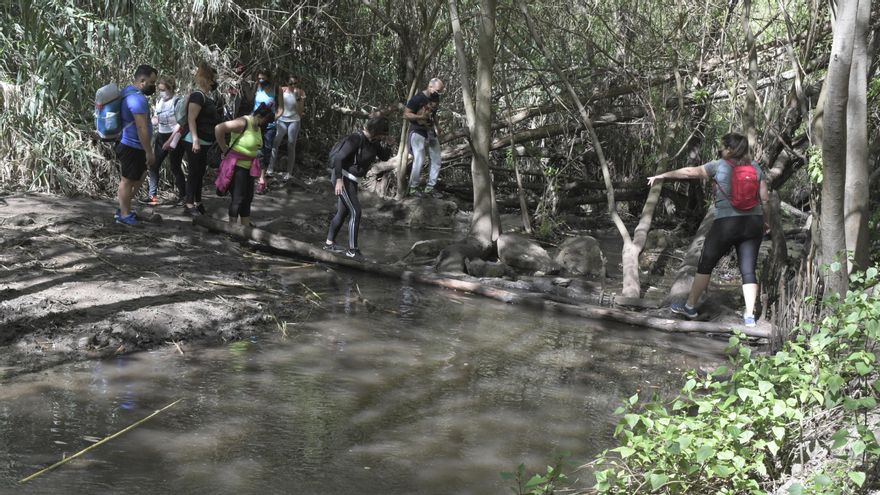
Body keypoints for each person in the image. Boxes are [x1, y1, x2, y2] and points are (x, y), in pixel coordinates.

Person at [647, 132, 769, 327]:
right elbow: (765, 198)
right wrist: (765, 221)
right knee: (748, 270)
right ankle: (749, 317)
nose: (720, 149)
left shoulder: (719, 166)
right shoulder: (755, 167)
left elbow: (689, 172)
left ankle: (690, 306)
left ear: (730, 149)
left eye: (722, 146)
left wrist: (663, 175)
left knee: (706, 264)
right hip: (753, 222)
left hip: (726, 223)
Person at [323, 116, 393, 260]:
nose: (382, 137)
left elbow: (384, 157)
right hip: (343, 178)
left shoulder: (374, 142)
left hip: (353, 181)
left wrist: (389, 144)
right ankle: (352, 250)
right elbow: (339, 158)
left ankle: (329, 244)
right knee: (356, 211)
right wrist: (338, 180)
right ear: (375, 131)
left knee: (342, 213)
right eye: (382, 134)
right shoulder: (356, 138)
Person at [214, 104, 275, 226]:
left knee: (248, 198)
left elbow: (258, 151)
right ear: (258, 116)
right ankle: (232, 227)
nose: (265, 124)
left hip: (250, 167)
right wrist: (224, 149)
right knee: (238, 198)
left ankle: (245, 225)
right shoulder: (243, 122)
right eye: (265, 121)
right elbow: (219, 128)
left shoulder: (257, 127)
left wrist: (262, 174)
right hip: (236, 166)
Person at [114, 64, 158, 226]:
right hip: (132, 145)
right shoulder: (137, 99)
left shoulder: (127, 91)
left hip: (130, 144)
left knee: (140, 175)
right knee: (127, 180)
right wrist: (149, 151)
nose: (153, 86)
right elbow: (141, 127)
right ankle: (124, 215)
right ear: (142, 80)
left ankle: (124, 209)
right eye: (152, 83)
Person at [182, 62, 222, 217]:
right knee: (194, 172)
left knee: (199, 173)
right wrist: (195, 140)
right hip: (194, 141)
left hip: (205, 141)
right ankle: (189, 204)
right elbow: (191, 118)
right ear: (208, 79)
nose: (216, 82)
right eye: (214, 79)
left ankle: (197, 202)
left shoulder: (206, 96)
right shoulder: (197, 96)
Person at [141, 77, 185, 206]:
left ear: (170, 88)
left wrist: (171, 141)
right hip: (161, 136)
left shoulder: (177, 102)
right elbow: (156, 117)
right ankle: (152, 196)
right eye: (159, 90)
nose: (161, 92)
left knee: (175, 167)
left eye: (163, 90)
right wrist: (149, 121)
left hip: (175, 138)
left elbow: (181, 123)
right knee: (154, 166)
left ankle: (184, 196)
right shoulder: (160, 101)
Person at [403, 77, 444, 198]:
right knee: (420, 159)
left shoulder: (436, 97)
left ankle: (430, 187)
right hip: (417, 130)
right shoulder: (417, 98)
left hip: (430, 131)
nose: (439, 93)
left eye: (440, 91)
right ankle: (413, 188)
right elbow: (405, 114)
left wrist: (438, 126)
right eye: (437, 90)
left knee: (436, 159)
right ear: (430, 87)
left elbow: (434, 113)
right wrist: (420, 118)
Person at [268, 74, 306, 182]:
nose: (293, 85)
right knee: (276, 142)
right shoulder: (282, 90)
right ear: (287, 83)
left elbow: (299, 112)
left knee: (291, 145)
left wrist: (298, 98)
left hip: (294, 121)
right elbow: (280, 106)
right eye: (291, 83)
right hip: (282, 120)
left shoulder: (301, 92)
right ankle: (270, 169)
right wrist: (275, 118)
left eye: (295, 83)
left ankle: (289, 173)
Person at [252, 69, 279, 194]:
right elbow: (250, 101)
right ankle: (256, 178)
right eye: (259, 78)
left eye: (263, 78)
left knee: (266, 151)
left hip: (270, 125)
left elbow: (281, 109)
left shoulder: (276, 89)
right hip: (256, 124)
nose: (261, 81)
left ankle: (262, 180)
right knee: (257, 151)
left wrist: (272, 118)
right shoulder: (257, 87)